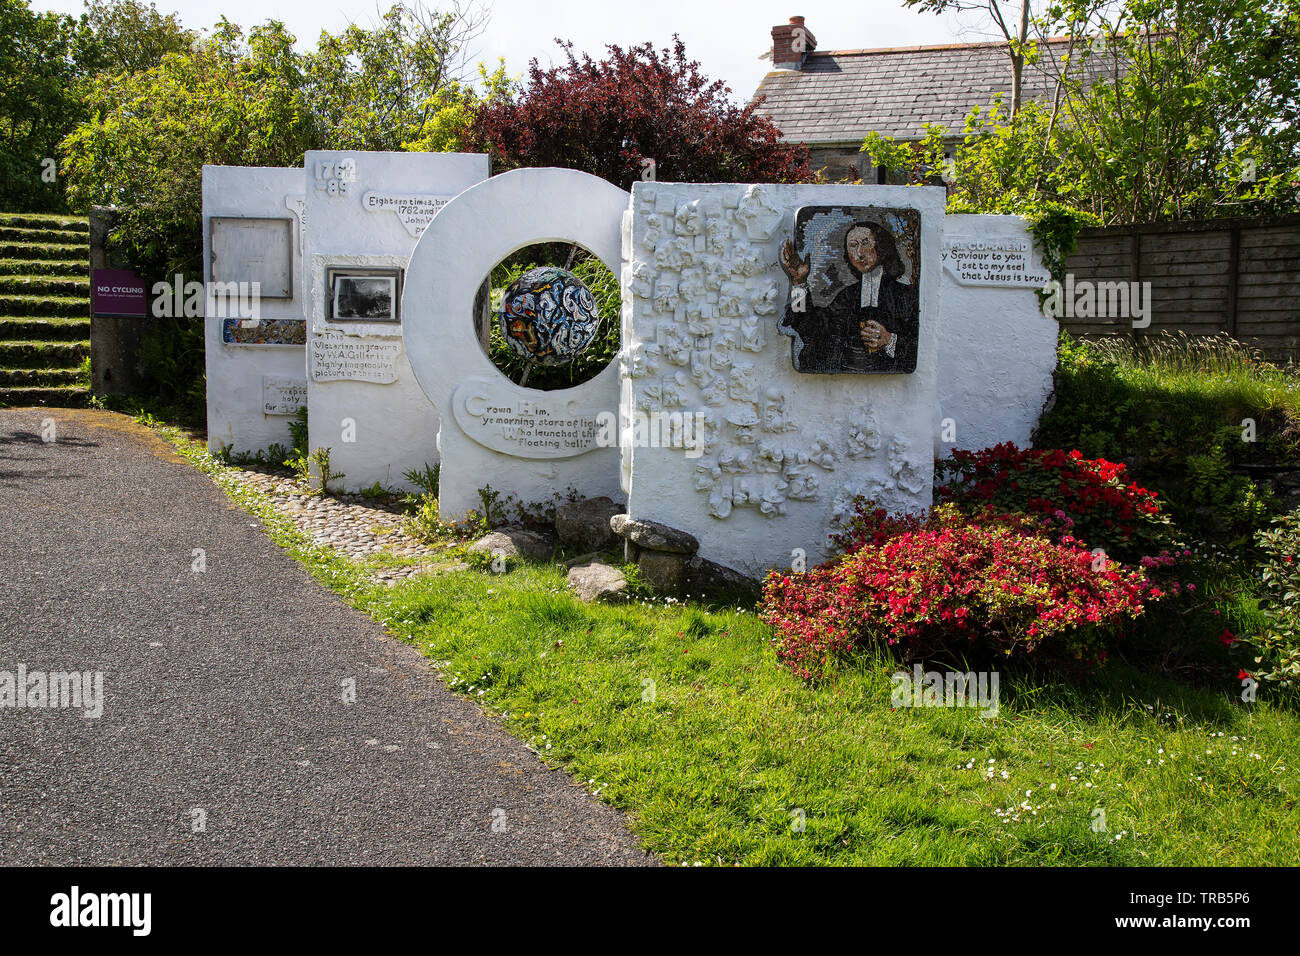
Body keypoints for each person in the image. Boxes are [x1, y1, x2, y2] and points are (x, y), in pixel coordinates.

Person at [779, 220, 919, 373]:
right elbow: (809, 327)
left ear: (881, 246)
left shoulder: (905, 296)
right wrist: (799, 283)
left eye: (865, 243)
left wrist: (889, 340)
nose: (860, 253)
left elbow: (918, 347)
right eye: (853, 245)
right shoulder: (847, 296)